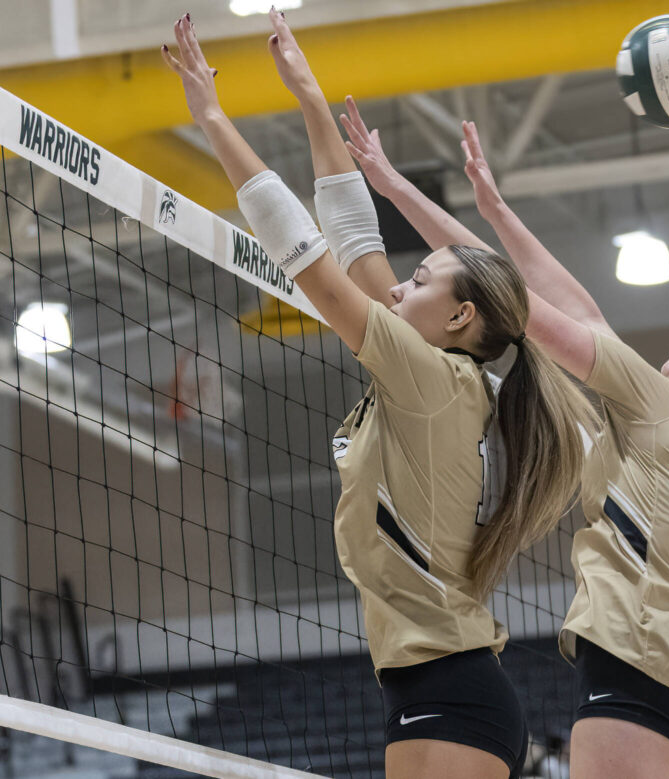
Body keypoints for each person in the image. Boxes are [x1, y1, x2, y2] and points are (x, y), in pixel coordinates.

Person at [162, 13, 596, 779]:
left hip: (453, 689)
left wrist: (213, 120)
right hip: (426, 686)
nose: (399, 285)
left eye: (420, 280)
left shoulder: (434, 379)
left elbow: (308, 255)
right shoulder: (432, 374)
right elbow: (357, 238)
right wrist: (310, 98)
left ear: (460, 318)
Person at [340, 103, 669, 779]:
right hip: (654, 674)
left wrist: (400, 192)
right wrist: (494, 209)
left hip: (635, 668)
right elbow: (572, 306)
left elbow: (515, 304)